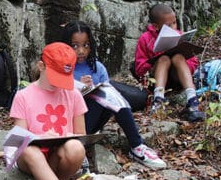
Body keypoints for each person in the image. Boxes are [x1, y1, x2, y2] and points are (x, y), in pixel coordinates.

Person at [61, 21, 166, 170]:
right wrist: (77, 88)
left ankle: (137, 146)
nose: (81, 51)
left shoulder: (97, 67)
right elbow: (57, 101)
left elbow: (108, 96)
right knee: (103, 93)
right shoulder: (62, 68)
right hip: (70, 125)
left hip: (93, 120)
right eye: (75, 46)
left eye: (86, 45)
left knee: (111, 92)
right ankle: (79, 151)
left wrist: (91, 88)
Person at [10, 42, 89, 180]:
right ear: (41, 66)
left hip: (57, 157)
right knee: (30, 150)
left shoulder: (73, 95)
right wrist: (41, 137)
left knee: (76, 148)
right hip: (30, 158)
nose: (58, 84)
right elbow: (19, 138)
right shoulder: (23, 96)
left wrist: (65, 137)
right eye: (55, 76)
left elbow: (81, 135)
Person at [133, 3, 205, 121]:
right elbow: (139, 69)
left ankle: (192, 100)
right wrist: (156, 60)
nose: (173, 28)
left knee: (178, 57)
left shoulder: (179, 35)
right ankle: (158, 101)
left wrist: (185, 63)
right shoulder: (145, 39)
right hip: (156, 81)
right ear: (156, 26)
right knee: (164, 59)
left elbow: (194, 63)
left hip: (177, 79)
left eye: (174, 23)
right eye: (168, 26)